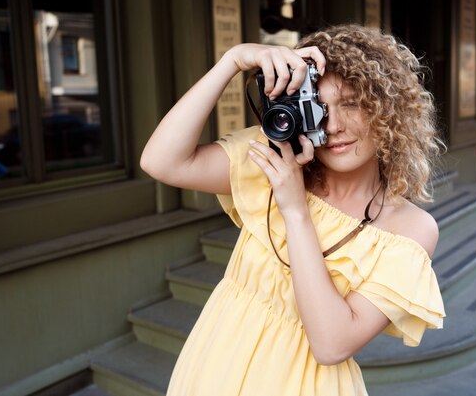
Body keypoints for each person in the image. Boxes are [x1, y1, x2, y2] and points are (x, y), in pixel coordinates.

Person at [140, 23, 445, 396]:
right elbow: (161, 162)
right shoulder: (276, 161)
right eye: (317, 106)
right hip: (214, 367)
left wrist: (295, 209)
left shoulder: (410, 229)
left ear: (386, 110)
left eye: (350, 103)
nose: (332, 126)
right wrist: (232, 60)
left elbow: (332, 344)